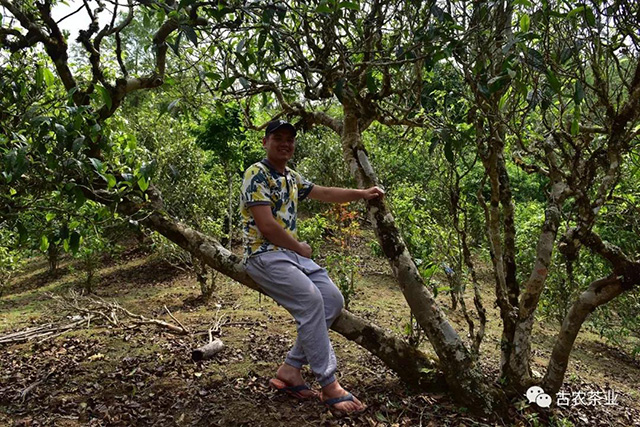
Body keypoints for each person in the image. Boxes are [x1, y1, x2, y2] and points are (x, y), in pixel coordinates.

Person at [240, 119, 384, 414]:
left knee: (332, 300)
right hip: (264, 255)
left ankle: (291, 368)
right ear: (265, 142)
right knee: (310, 300)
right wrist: (300, 247)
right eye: (277, 137)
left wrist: (363, 193)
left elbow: (326, 193)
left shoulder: (291, 177)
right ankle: (329, 383)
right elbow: (266, 226)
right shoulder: (256, 173)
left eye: (289, 139)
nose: (285, 143)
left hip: (291, 255)